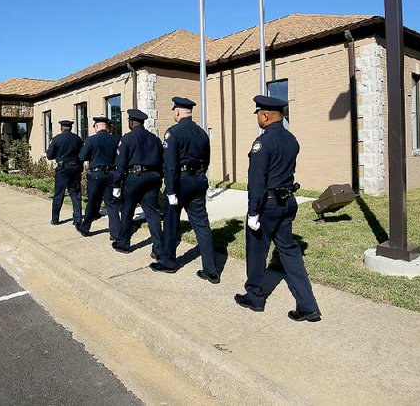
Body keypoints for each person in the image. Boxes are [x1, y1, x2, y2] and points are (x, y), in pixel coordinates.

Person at [234, 95, 321, 322]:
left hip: (268, 205)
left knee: (256, 251)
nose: (258, 120)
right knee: (290, 252)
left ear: (265, 115)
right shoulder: (292, 139)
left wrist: (253, 212)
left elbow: (257, 181)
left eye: (259, 116)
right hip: (287, 202)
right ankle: (308, 305)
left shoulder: (262, 143)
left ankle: (255, 296)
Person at [150, 97, 218, 281]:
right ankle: (210, 269)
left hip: (180, 182)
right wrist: (199, 176)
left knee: (171, 223)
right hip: (198, 180)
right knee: (202, 224)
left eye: (174, 111)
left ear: (178, 112)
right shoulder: (201, 133)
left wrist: (170, 190)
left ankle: (168, 262)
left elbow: (170, 164)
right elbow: (207, 160)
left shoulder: (174, 133)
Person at [112, 109, 163, 256]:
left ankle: (123, 243)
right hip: (152, 177)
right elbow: (162, 160)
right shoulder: (154, 139)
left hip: (134, 178)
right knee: (152, 214)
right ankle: (159, 249)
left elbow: (120, 165)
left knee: (127, 210)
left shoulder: (127, 139)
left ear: (130, 122)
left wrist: (117, 184)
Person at [76, 116, 121, 240]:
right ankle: (115, 233)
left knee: (92, 201)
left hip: (96, 174)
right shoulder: (115, 140)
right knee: (111, 204)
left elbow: (82, 156)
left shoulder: (91, 139)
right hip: (111, 173)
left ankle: (85, 228)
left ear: (96, 126)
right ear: (106, 127)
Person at [47, 119, 84, 225]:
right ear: (71, 127)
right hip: (75, 168)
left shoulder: (56, 139)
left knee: (59, 194)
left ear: (61, 128)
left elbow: (49, 156)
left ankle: (55, 219)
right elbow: (82, 155)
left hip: (62, 169)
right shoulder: (78, 139)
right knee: (75, 194)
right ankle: (77, 219)